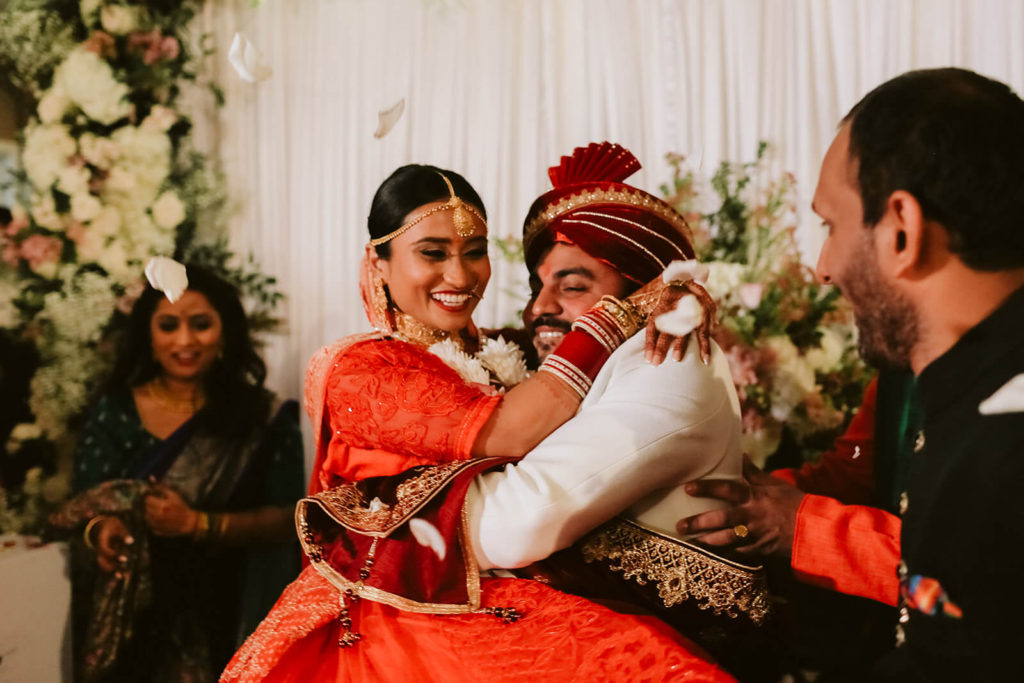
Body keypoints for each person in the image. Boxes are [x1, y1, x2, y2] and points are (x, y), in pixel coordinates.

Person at [223, 158, 733, 682]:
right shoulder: (358, 367)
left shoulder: (499, 351)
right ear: (378, 263)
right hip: (403, 619)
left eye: (474, 252)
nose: (461, 276)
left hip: (508, 593)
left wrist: (665, 290)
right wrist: (625, 308)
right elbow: (507, 432)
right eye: (433, 253)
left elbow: (560, 339)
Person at [679, 68, 1024, 681]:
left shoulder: (999, 447)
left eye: (831, 226)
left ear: (900, 230)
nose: (822, 268)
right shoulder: (958, 384)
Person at [462, 142, 771, 678]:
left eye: (573, 286)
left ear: (645, 295)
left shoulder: (672, 363)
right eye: (539, 285)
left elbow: (516, 522)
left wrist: (382, 504)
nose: (541, 307)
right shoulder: (570, 367)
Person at [50, 262, 305, 683]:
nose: (185, 340)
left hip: (229, 608)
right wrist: (103, 531)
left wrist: (197, 524)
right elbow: (83, 504)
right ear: (149, 338)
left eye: (200, 324)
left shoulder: (263, 418)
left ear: (225, 333)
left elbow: (290, 520)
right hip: (130, 615)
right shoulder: (116, 412)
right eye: (168, 326)